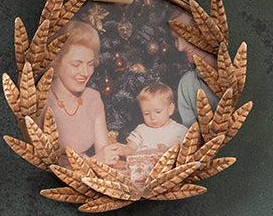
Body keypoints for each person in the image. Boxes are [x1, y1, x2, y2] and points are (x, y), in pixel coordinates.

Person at [44, 21, 121, 166]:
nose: (85, 73)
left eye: (90, 64)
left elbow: (104, 152)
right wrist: (94, 162)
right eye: (76, 64)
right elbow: (45, 171)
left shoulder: (92, 97)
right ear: (56, 62)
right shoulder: (39, 102)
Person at [127, 83, 189, 153]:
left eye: (158, 112)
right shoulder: (141, 130)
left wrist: (169, 151)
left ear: (170, 109)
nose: (152, 117)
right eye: (146, 113)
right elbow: (130, 149)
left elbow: (187, 154)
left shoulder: (180, 131)